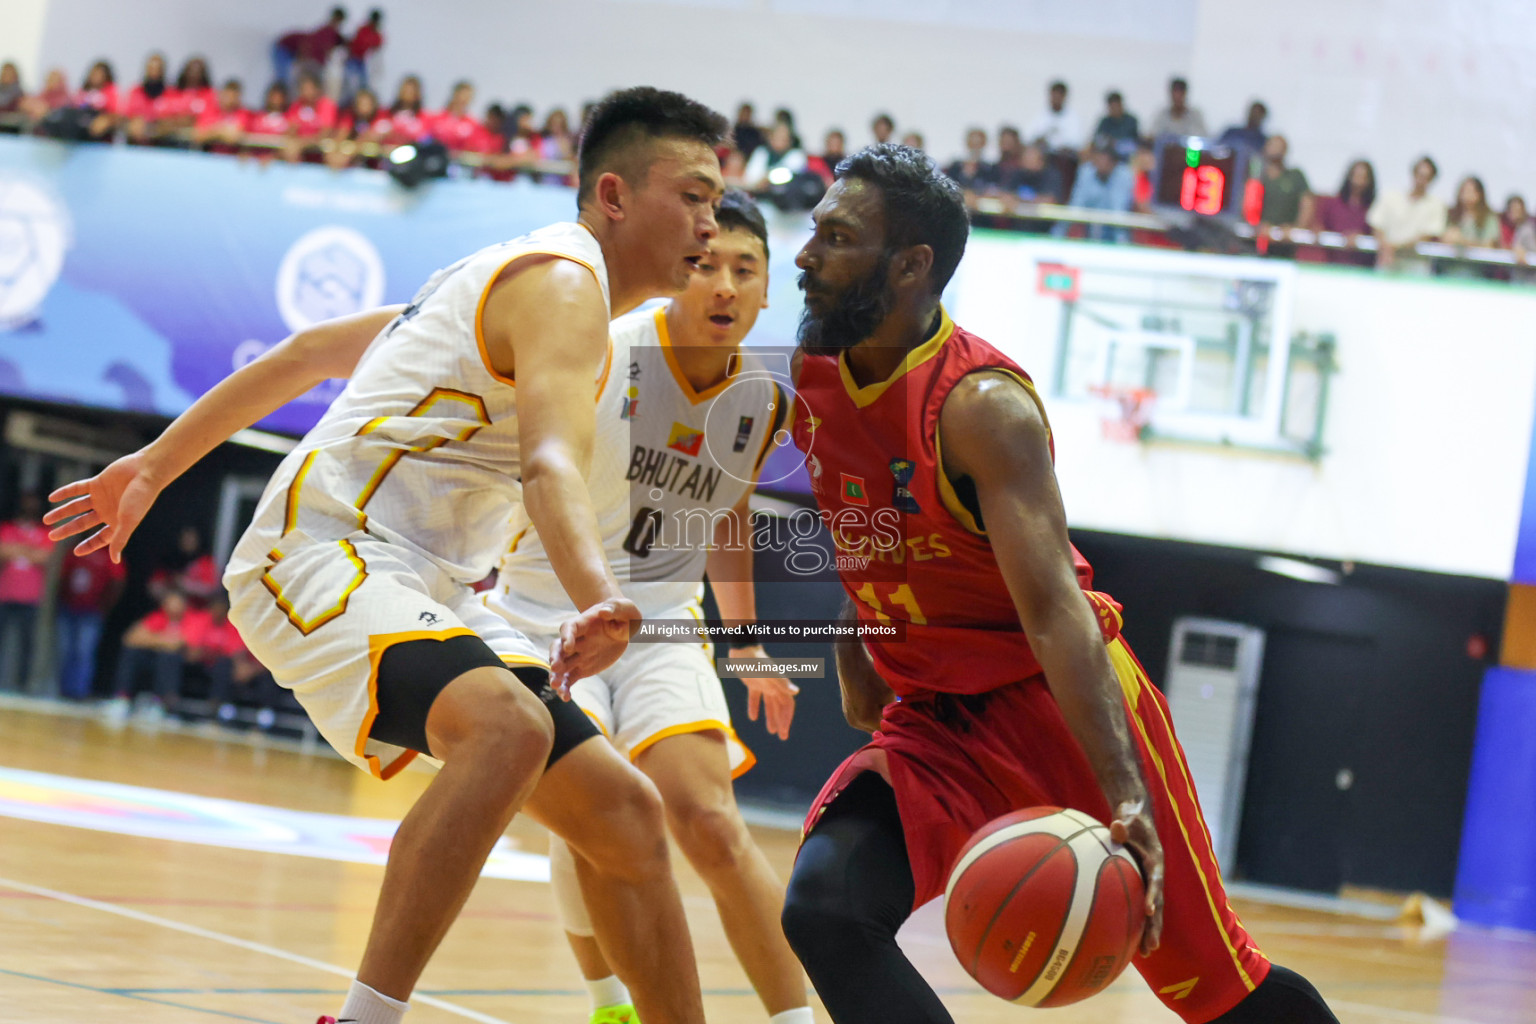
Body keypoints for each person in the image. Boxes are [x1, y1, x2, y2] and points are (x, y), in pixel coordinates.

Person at [47, 86, 730, 1024]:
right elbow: (548, 464)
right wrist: (596, 596)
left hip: (425, 581)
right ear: (613, 196)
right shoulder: (563, 283)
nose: (710, 222)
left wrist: (158, 467)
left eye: (718, 201)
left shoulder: (530, 287)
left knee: (625, 814)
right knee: (509, 729)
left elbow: (309, 352)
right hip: (324, 548)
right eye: (692, 195)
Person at [779, 142, 1340, 1024]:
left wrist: (1123, 790)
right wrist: (861, 638)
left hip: (1061, 705)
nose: (805, 256)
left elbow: (1055, 614)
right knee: (826, 909)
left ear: (912, 265)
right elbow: (872, 528)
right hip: (938, 721)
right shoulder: (813, 375)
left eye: (836, 238)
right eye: (814, 231)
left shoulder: (980, 407)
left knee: (1216, 990)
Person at [491, 189, 813, 1024]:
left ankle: (796, 1020)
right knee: (597, 816)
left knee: (708, 821)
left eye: (747, 271)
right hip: (544, 609)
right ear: (678, 271)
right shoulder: (602, 349)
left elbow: (729, 514)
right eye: (707, 265)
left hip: (666, 622)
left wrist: (745, 645)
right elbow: (517, 458)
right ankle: (611, 1005)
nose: (725, 288)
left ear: (770, 291)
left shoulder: (764, 397)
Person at [105, 589, 190, 722]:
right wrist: (163, 640)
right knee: (131, 652)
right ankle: (122, 699)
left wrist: (151, 638)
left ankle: (159, 705)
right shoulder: (158, 618)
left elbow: (177, 645)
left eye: (176, 602)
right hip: (155, 659)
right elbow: (130, 638)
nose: (171, 606)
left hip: (185, 662)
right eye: (169, 602)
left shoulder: (191, 620)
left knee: (168, 657)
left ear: (184, 605)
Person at [55, 542, 127, 700]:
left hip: (91, 611)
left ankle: (78, 692)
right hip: (68, 608)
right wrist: (60, 599)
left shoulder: (110, 553)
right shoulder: (75, 549)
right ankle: (62, 691)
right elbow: (63, 576)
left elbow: (118, 581)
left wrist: (104, 606)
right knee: (65, 650)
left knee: (83, 651)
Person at [0, 493, 52, 692]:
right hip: (5, 594)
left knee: (27, 644)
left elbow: (43, 557)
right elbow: (3, 551)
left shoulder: (44, 532)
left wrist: (16, 549)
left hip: (30, 598)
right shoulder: (7, 528)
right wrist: (30, 550)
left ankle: (23, 685)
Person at [1368, 155, 1447, 273]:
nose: (1422, 180)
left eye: (1427, 177)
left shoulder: (1436, 205)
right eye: (1420, 174)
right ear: (1413, 174)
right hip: (1387, 261)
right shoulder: (1390, 197)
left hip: (1416, 265)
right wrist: (1385, 247)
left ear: (1432, 180)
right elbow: (1376, 224)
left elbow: (1428, 235)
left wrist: (1396, 247)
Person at [1057, 141, 1133, 242]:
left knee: (1120, 233)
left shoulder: (1124, 175)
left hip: (1114, 230)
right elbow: (1077, 203)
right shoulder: (1086, 171)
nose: (1099, 163)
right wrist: (1060, 235)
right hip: (1089, 228)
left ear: (1113, 163)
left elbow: (1118, 209)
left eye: (1104, 159)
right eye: (1097, 158)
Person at [1309, 160, 1375, 266]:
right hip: (1331, 263)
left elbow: (1375, 234)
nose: (1358, 181)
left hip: (1360, 267)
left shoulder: (1373, 208)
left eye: (1363, 177)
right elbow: (1318, 225)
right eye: (1356, 175)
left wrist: (1360, 237)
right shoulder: (1332, 204)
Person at [274, 6, 348, 91]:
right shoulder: (328, 32)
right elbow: (307, 46)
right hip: (283, 47)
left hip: (296, 53)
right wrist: (302, 58)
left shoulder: (330, 33)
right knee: (285, 77)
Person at [1441, 176, 1502, 279]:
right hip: (1450, 272)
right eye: (1464, 191)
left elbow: (1489, 245)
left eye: (1470, 191)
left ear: (1479, 194)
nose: (1466, 195)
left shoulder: (1488, 218)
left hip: (1477, 274)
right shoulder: (1452, 215)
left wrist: (1463, 242)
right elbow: (1444, 239)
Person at [123, 52, 178, 146]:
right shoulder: (136, 91)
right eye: (151, 68)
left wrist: (155, 129)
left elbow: (172, 121)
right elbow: (127, 117)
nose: (154, 72)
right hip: (136, 142)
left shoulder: (172, 94)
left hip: (162, 143)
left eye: (157, 69)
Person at [1025, 79, 1084, 155]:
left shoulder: (1073, 118)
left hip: (1063, 157)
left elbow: (1077, 142)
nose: (1055, 99)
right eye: (1053, 96)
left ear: (1064, 97)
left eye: (1058, 96)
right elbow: (1029, 137)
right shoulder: (1041, 115)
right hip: (1044, 155)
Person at [343, 8, 384, 101]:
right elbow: (352, 43)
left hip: (363, 63)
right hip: (353, 60)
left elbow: (377, 47)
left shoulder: (376, 34)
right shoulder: (362, 29)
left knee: (363, 86)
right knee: (350, 86)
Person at [943, 127, 994, 194]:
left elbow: (992, 189)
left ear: (983, 144)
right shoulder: (955, 167)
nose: (975, 148)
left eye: (978, 144)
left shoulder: (989, 169)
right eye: (972, 144)